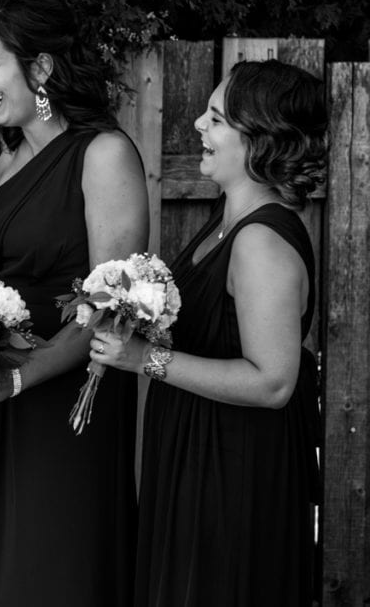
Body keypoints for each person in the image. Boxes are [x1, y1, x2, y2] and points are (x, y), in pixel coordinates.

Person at [90, 59, 324, 606]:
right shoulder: (226, 222)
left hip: (235, 472)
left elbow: (273, 383)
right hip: (197, 455)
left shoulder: (261, 243)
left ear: (259, 140)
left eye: (216, 119)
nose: (198, 124)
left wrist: (144, 359)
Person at [0, 0, 148, 606]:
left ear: (39, 68)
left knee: (57, 566)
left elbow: (110, 309)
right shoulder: (5, 159)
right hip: (1, 393)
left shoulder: (104, 155)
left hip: (70, 394)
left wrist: (23, 374)